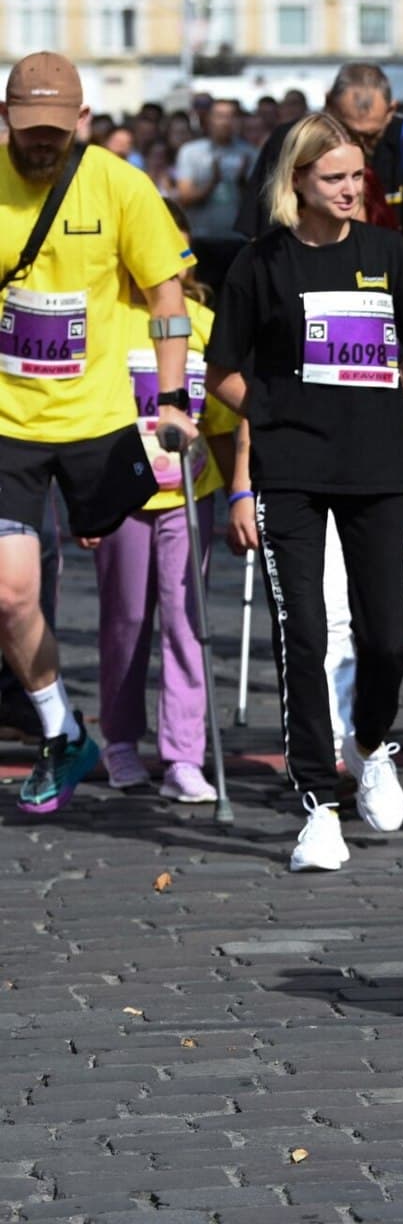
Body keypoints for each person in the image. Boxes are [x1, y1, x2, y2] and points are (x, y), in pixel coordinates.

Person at [205, 111, 403, 870]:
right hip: (292, 474)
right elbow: (224, 371)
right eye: (332, 177)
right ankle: (318, 803)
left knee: (388, 638)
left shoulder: (390, 255)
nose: (349, 190)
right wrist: (277, 416)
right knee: (303, 634)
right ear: (297, 181)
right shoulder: (262, 264)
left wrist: (375, 403)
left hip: (377, 470)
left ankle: (370, 744)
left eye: (356, 177)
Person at [1, 52, 193, 813]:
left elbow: (166, 292)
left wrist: (174, 398)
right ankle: (61, 731)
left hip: (102, 423)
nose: (40, 145)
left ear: (82, 121)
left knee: (151, 596)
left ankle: (174, 741)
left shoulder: (119, 184)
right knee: (12, 593)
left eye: (54, 131)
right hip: (10, 422)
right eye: (26, 131)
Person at [94, 201, 241, 801]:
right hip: (122, 498)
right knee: (126, 621)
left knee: (188, 623)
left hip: (190, 494)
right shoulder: (107, 319)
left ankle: (184, 755)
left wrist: (240, 492)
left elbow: (228, 420)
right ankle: (121, 741)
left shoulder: (203, 322)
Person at [238, 65, 403, 247]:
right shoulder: (293, 141)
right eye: (348, 132)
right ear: (329, 103)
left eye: (371, 136)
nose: (358, 145)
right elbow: (262, 229)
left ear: (390, 110)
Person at [173, 98, 256, 292]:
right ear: (208, 119)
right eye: (219, 116)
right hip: (202, 239)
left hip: (237, 241)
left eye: (230, 116)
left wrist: (243, 183)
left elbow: (259, 202)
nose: (225, 122)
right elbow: (184, 196)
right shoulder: (191, 152)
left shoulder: (250, 153)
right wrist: (212, 183)